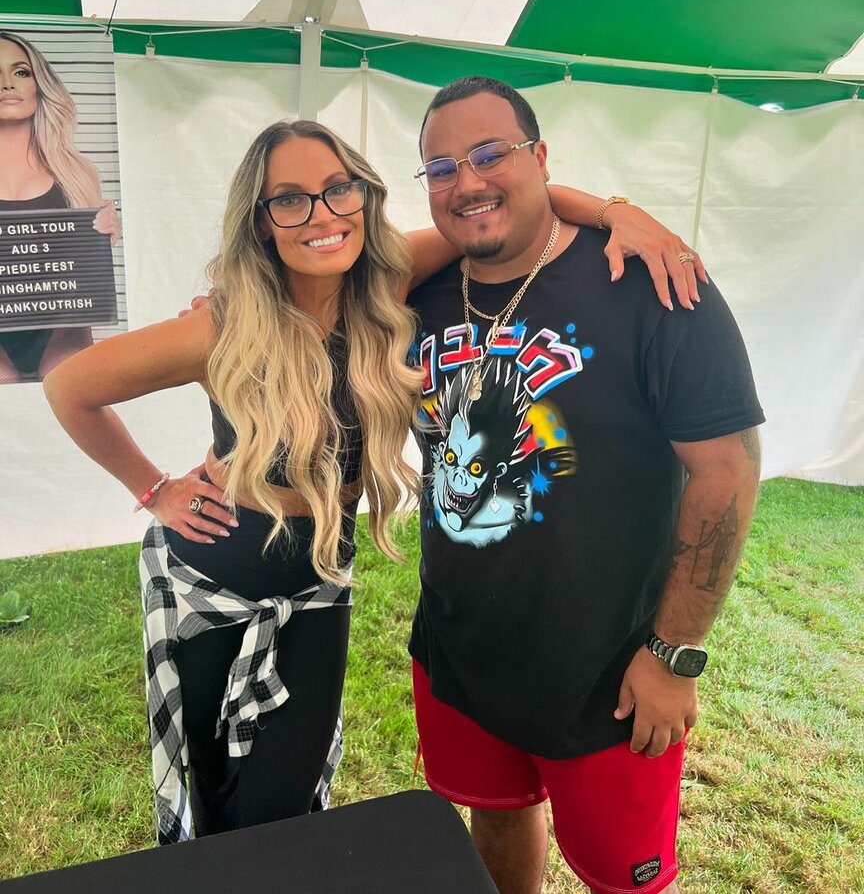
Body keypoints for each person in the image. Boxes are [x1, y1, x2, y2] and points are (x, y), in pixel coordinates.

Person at [45, 113, 703, 845]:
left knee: (284, 801)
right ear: (261, 221)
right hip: (213, 575)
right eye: (289, 200)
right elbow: (70, 387)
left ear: (364, 194)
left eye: (338, 189)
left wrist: (617, 212)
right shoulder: (223, 326)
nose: (321, 215)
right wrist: (153, 489)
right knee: (213, 796)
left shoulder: (389, 279)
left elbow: (503, 207)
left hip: (320, 580)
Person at [406, 77, 764, 894]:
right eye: (441, 168)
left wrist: (673, 656)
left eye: (491, 154)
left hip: (609, 676)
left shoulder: (653, 284)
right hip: (460, 649)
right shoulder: (416, 292)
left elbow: (728, 472)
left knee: (622, 879)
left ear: (541, 157)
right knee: (496, 816)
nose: (466, 181)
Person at [0, 31, 120, 384]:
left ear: (39, 85)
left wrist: (104, 237)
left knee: (67, 381)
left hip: (62, 329)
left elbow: (86, 278)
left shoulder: (77, 173)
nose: (8, 84)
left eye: (21, 72)